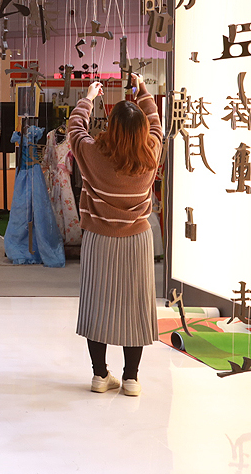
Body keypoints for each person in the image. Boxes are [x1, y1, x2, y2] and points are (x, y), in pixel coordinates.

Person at [68, 74, 162, 397]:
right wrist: (143, 90)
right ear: (142, 131)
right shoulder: (151, 154)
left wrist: (89, 97)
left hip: (99, 238)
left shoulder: (93, 154)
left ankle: (99, 375)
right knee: (135, 307)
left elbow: (75, 129)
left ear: (111, 128)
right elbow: (157, 123)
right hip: (138, 241)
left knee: (98, 305)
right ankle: (131, 379)